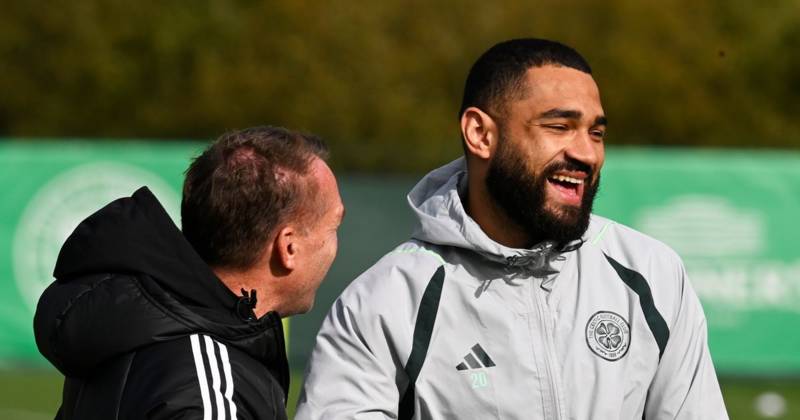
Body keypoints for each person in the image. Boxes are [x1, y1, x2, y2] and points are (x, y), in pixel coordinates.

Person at [296, 39, 728, 419]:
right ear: (480, 134)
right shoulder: (384, 302)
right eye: (559, 127)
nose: (586, 153)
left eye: (596, 132)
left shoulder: (652, 274)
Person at [34, 126, 344, 420]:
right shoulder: (206, 389)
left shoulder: (137, 324)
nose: (335, 244)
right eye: (333, 227)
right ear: (288, 247)